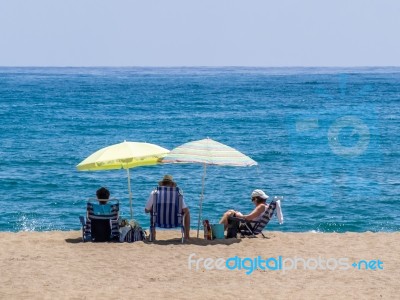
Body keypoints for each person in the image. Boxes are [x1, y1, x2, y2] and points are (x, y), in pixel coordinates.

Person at [145, 175, 191, 240]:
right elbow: (185, 210)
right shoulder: (177, 194)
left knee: (152, 211)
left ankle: (152, 235)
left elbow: (146, 210)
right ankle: (187, 236)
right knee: (188, 212)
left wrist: (152, 209)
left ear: (162, 183)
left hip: (158, 221)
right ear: (172, 184)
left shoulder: (154, 193)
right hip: (175, 221)